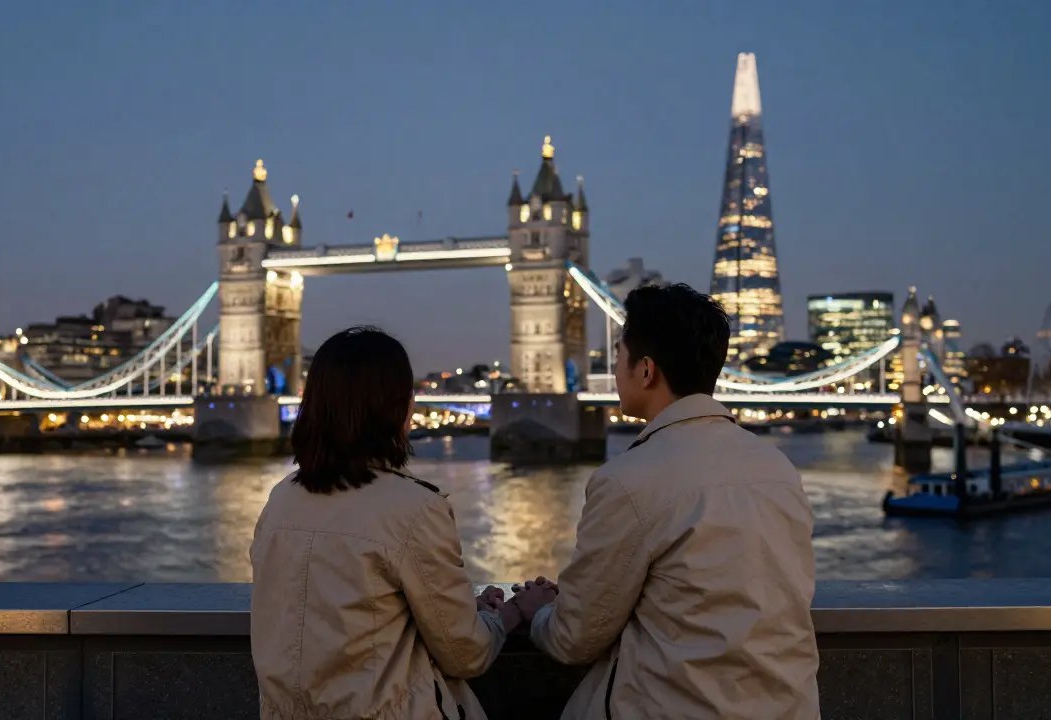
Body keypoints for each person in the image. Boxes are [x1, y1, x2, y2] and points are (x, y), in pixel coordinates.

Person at [511, 284, 820, 719]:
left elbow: (574, 638)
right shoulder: (779, 471)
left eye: (618, 356)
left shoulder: (627, 481)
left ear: (645, 371)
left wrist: (540, 611)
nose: (613, 370)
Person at [250, 326, 516, 720]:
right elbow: (466, 654)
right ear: (399, 406)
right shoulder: (414, 508)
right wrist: (508, 614)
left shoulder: (280, 500)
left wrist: (462, 608)